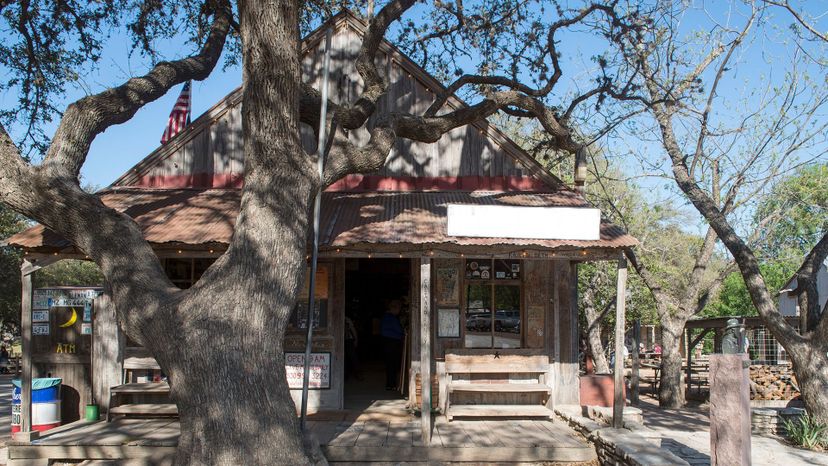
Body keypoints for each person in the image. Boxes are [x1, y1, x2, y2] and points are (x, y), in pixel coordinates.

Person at [380, 300, 404, 390]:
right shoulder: (392, 318)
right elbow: (399, 330)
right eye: (398, 309)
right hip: (393, 342)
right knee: (393, 364)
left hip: (386, 342)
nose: (399, 311)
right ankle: (392, 384)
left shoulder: (385, 317)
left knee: (389, 363)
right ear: (394, 309)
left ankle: (389, 384)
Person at [344, 314, 361, 380]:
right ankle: (356, 374)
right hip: (346, 340)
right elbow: (353, 329)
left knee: (350, 357)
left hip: (346, 340)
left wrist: (356, 339)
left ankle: (348, 375)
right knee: (351, 357)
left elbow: (352, 329)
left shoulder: (346, 319)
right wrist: (356, 339)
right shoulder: (346, 318)